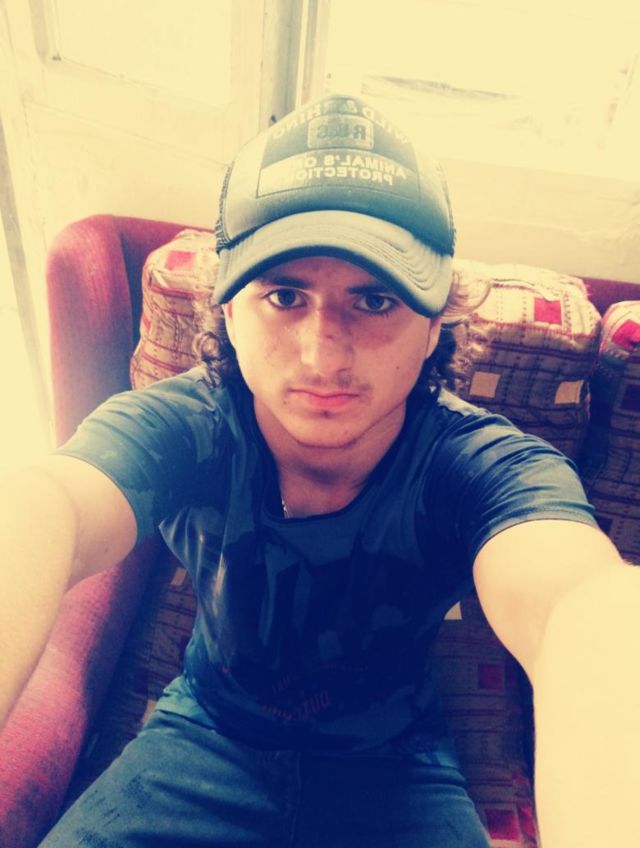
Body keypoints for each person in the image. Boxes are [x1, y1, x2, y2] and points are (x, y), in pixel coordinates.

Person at [2, 93, 640, 848]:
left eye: (374, 300)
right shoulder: (185, 428)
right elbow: (51, 504)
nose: (321, 355)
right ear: (229, 310)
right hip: (204, 738)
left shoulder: (478, 465)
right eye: (283, 295)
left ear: (435, 320)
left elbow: (581, 605)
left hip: (396, 770)